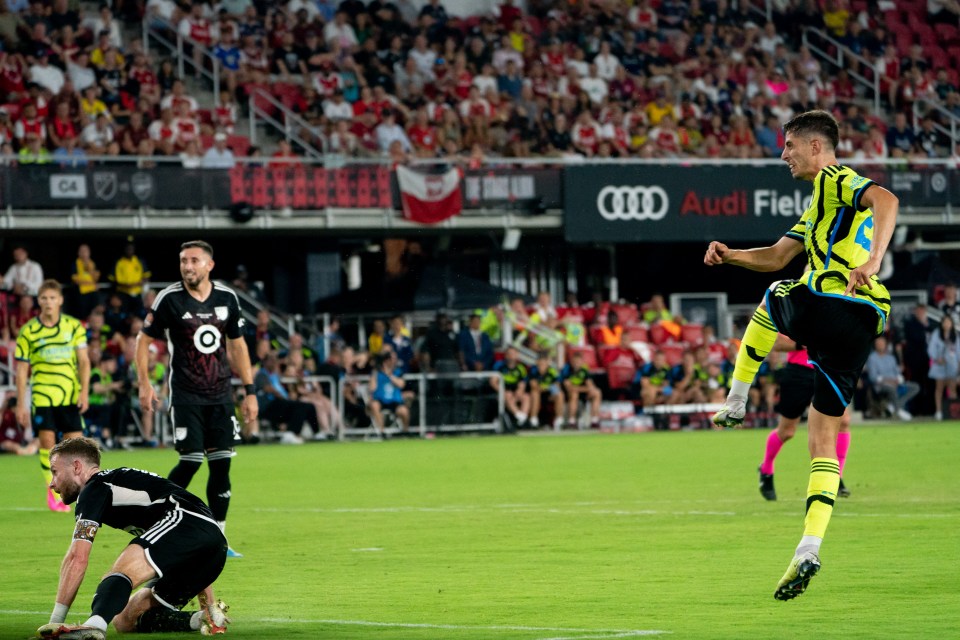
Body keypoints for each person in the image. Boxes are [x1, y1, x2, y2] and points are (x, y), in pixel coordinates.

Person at [704, 110, 898, 601]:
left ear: (816, 147)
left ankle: (736, 400)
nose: (782, 153)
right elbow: (774, 254)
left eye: (789, 144)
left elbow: (886, 198)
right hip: (859, 326)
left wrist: (873, 259)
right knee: (822, 438)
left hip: (839, 300)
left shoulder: (836, 178)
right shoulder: (818, 208)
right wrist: (730, 256)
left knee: (773, 299)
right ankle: (809, 548)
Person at [36, 437, 230, 640]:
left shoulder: (95, 487)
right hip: (211, 545)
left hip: (187, 522)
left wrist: (55, 621)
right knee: (125, 620)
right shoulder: (118, 480)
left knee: (120, 573)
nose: (52, 483)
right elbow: (195, 546)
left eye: (55, 472)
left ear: (76, 467)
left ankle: (94, 627)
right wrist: (208, 606)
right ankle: (201, 619)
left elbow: (77, 557)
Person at [136, 241, 257, 558]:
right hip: (187, 395)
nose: (187, 266)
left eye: (193, 260)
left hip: (220, 395)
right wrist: (144, 382)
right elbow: (143, 339)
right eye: (183, 261)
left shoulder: (227, 298)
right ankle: (155, 516)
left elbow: (239, 346)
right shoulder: (170, 298)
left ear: (209, 265)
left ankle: (219, 537)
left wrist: (249, 390)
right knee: (190, 461)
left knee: (222, 465)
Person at [16, 279, 89, 512]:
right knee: (48, 444)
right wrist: (21, 404)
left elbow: (84, 362)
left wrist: (85, 391)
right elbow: (20, 371)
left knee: (76, 447)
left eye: (52, 298)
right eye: (44, 298)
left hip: (69, 395)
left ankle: (81, 490)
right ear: (39, 301)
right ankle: (53, 492)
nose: (48, 302)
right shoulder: (28, 331)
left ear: (60, 300)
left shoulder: (73, 326)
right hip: (42, 396)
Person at [758, 339, 853, 501]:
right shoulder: (795, 314)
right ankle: (766, 469)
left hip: (827, 371)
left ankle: (836, 478)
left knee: (843, 422)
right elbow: (777, 344)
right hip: (798, 374)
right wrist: (805, 342)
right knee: (787, 431)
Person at [865, 335, 919, 420]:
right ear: (875, 345)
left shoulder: (891, 357)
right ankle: (898, 410)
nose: (880, 345)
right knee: (891, 389)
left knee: (915, 387)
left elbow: (897, 373)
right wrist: (889, 381)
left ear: (886, 344)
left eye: (882, 343)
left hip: (895, 382)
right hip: (881, 385)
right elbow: (873, 377)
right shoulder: (872, 358)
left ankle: (894, 406)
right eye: (878, 343)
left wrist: (899, 379)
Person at [927, 314, 960, 420]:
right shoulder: (936, 334)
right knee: (939, 389)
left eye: (948, 322)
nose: (947, 324)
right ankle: (939, 411)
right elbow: (931, 349)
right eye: (945, 322)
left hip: (952, 366)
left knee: (952, 389)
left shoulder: (955, 336)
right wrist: (937, 358)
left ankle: (953, 411)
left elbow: (958, 352)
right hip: (939, 365)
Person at [490, 345, 530, 429]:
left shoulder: (521, 368)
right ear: (506, 355)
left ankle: (521, 420)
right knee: (508, 395)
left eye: (513, 354)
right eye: (509, 354)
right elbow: (493, 382)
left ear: (517, 355)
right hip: (502, 393)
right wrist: (502, 391)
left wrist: (519, 391)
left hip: (514, 393)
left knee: (526, 397)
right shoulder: (499, 366)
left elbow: (522, 383)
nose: (511, 356)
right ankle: (520, 416)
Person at [111, 241, 151, 315]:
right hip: (123, 293)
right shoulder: (119, 262)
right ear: (124, 249)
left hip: (137, 292)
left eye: (131, 249)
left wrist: (139, 283)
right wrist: (126, 285)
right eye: (128, 249)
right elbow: (114, 280)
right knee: (124, 314)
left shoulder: (139, 261)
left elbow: (146, 276)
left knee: (139, 313)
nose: (129, 251)